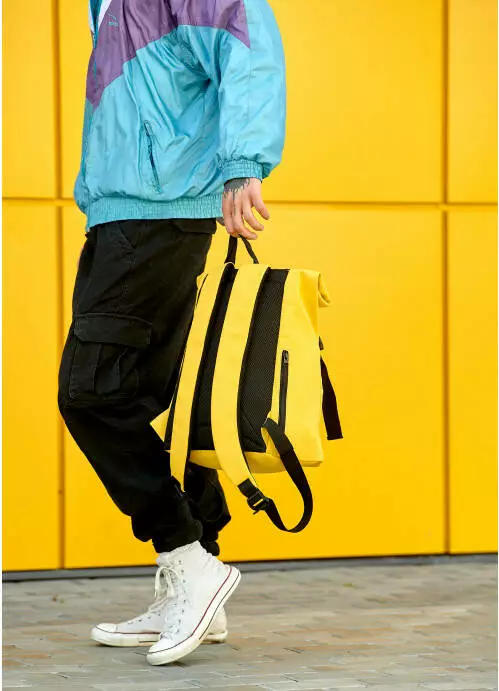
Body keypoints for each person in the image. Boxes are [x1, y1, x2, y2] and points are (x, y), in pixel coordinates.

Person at [57, 0, 286, 667]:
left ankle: (188, 559)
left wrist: (244, 161)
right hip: (124, 212)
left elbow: (247, 43)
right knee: (157, 399)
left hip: (154, 214)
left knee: (91, 395)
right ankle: (197, 569)